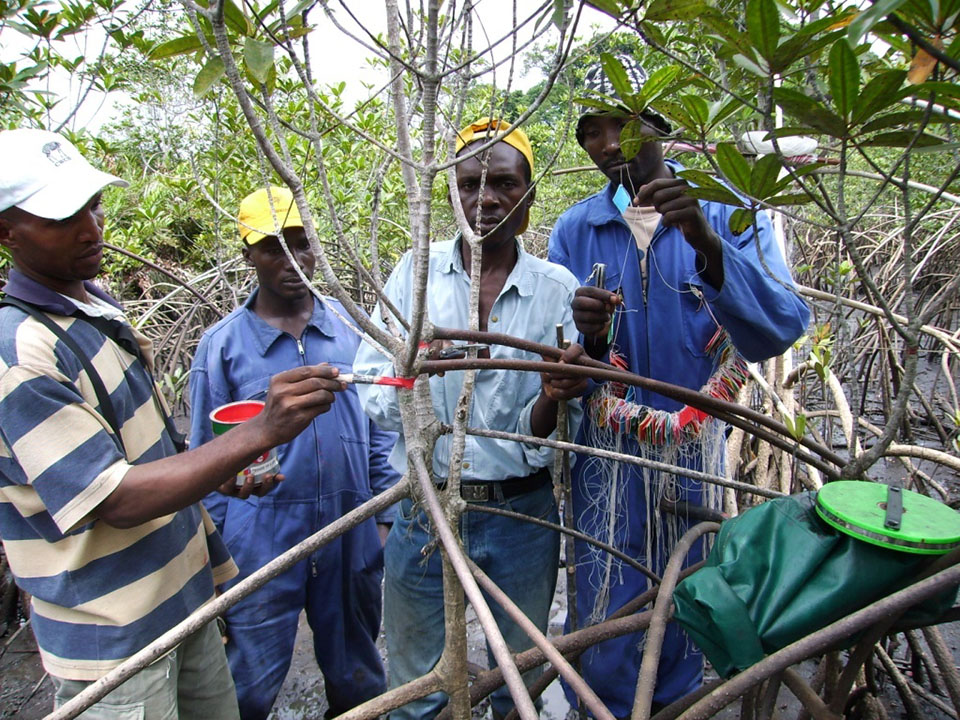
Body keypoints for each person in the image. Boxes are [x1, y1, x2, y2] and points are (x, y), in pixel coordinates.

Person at [0, 129, 345, 718]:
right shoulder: (19, 352)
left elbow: (149, 457)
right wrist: (261, 432)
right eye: (61, 216)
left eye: (91, 204)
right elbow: (117, 498)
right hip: (117, 642)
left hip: (182, 606)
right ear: (6, 232)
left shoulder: (93, 308)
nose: (90, 227)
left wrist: (219, 476)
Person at [547, 57, 811, 715]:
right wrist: (591, 340)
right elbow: (560, 369)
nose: (608, 145)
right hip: (605, 460)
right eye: (591, 131)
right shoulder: (576, 230)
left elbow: (783, 326)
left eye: (623, 126)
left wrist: (706, 242)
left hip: (695, 452)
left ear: (660, 125)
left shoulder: (726, 208)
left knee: (689, 593)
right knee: (605, 596)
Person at [354, 118, 587, 720]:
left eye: (504, 184)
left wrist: (556, 395)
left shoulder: (556, 289)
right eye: (469, 184)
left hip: (523, 514)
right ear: (453, 193)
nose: (485, 199)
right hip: (425, 507)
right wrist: (417, 375)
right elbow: (373, 391)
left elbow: (554, 432)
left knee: (523, 679)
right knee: (416, 688)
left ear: (530, 199)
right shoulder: (417, 271)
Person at [188, 186, 400, 720]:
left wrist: (384, 522)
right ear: (247, 256)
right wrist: (214, 566)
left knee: (358, 674)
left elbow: (381, 429)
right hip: (257, 537)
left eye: (302, 244)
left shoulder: (353, 329)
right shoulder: (223, 346)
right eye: (272, 247)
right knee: (249, 684)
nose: (292, 261)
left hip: (351, 526)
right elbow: (203, 460)